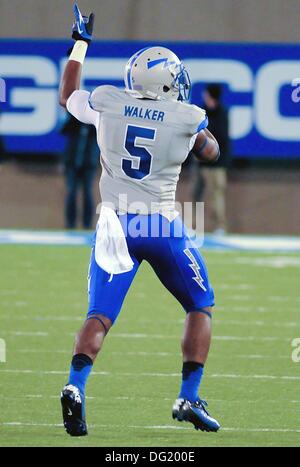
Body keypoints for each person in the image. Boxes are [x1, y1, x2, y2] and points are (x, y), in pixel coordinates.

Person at [59, 4, 221, 437]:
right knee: (200, 305)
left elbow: (68, 96)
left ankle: (75, 387)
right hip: (162, 225)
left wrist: (79, 43)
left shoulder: (109, 102)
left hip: (115, 225)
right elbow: (212, 152)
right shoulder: (187, 117)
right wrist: (193, 134)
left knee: (99, 316)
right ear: (167, 82)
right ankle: (189, 395)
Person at [193, 84, 231, 234]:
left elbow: (222, 138)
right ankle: (194, 226)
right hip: (200, 161)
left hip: (216, 164)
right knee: (196, 194)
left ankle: (219, 226)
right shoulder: (202, 112)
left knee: (216, 194)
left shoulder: (222, 113)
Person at [61, 111, 98, 229]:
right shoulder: (74, 122)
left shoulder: (95, 126)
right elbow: (63, 130)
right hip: (72, 164)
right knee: (71, 193)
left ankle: (87, 225)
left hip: (88, 165)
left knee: (87, 193)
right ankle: (70, 224)